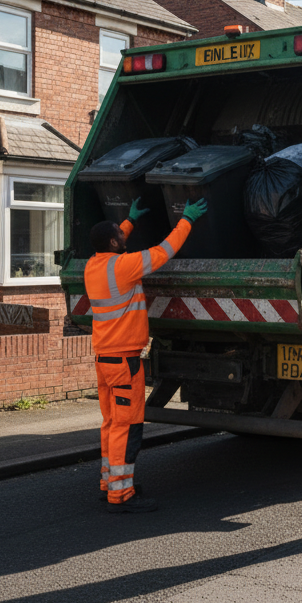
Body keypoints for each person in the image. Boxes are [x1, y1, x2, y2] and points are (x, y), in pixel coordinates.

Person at [84, 196, 207, 513]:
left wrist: (129, 221)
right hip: (124, 362)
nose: (123, 234)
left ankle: (109, 483)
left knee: (112, 423)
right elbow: (164, 251)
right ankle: (121, 494)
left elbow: (110, 241)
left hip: (104, 359)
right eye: (120, 233)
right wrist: (187, 219)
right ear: (114, 243)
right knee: (127, 427)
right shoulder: (125, 267)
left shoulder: (94, 265)